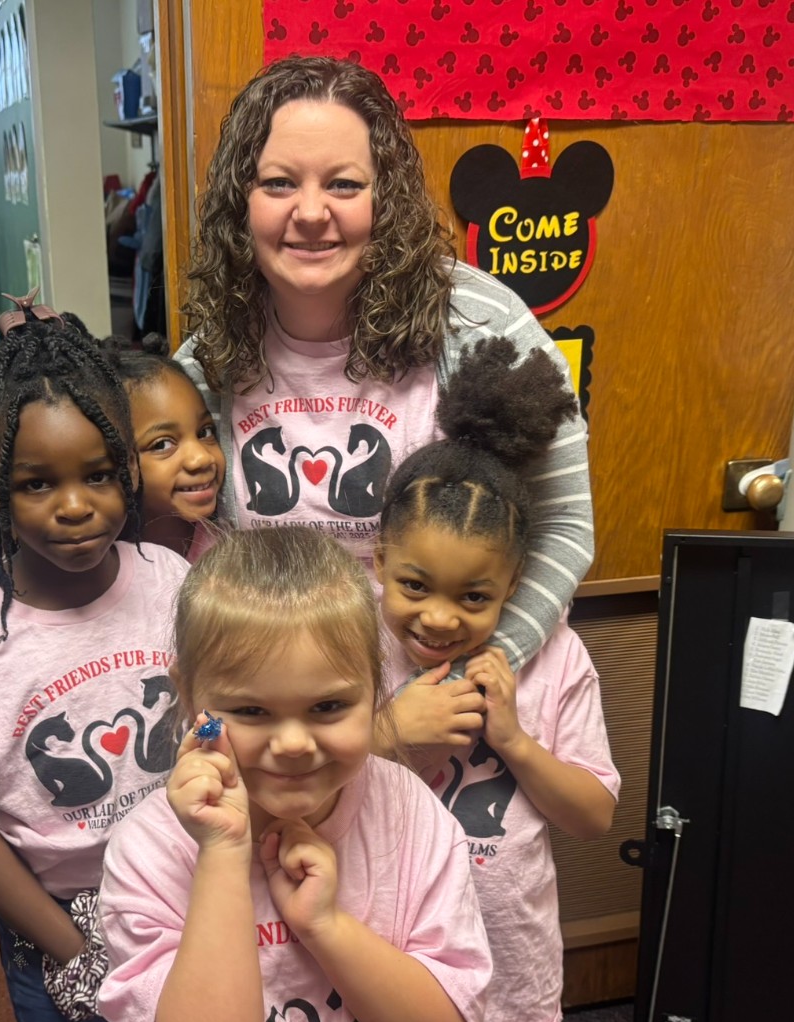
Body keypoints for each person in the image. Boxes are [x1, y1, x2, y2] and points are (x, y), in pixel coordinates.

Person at [176, 54, 593, 678]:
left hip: (456, 709)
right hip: (286, 714)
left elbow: (563, 524)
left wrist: (471, 679)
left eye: (343, 184)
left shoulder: (485, 325)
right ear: (241, 202)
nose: (311, 212)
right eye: (279, 183)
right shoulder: (206, 362)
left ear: (386, 198)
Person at [0, 294, 189, 1022]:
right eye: (36, 485)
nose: (75, 507)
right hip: (58, 924)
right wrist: (78, 950)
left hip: (189, 899)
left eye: (100, 474)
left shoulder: (171, 584)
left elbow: (212, 727)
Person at [96, 526, 494, 1022]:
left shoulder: (411, 815)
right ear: (189, 696)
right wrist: (222, 854)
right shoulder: (150, 850)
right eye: (252, 711)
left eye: (329, 705)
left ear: (377, 689)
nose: (292, 745)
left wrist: (326, 926)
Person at [373, 336, 621, 1022]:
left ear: (512, 586)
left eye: (474, 597)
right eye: (414, 585)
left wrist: (513, 739)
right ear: (378, 562)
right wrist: (388, 732)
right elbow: (295, 774)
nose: (440, 619)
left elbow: (593, 817)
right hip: (386, 959)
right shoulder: (349, 641)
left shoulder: (553, 660)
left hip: (509, 965)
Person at [114, 334, 226, 560]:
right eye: (163, 444)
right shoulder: (107, 565)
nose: (201, 458)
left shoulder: (228, 553)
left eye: (205, 432)